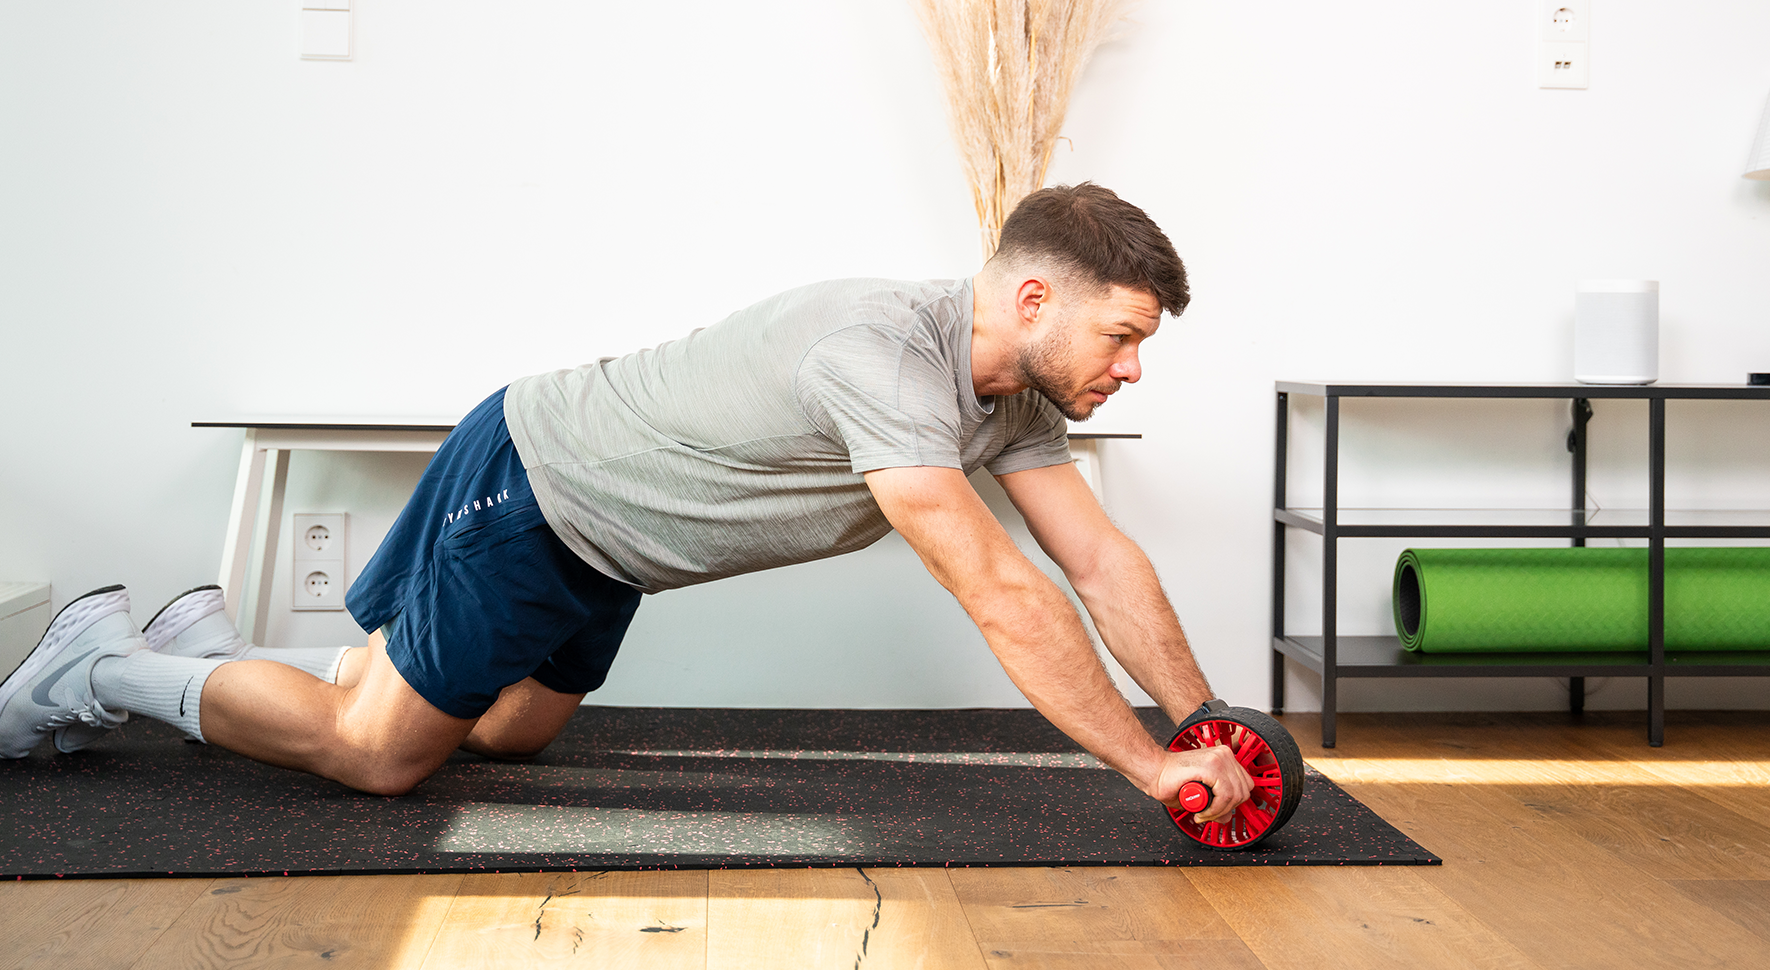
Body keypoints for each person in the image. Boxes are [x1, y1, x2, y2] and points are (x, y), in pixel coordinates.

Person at [0, 182, 1253, 824]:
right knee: (379, 758)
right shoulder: (880, 351)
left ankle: (212, 657)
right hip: (539, 486)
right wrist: (1150, 768)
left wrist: (1209, 721)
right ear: (1034, 301)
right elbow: (1000, 588)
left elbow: (1100, 562)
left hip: (611, 552)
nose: (1133, 368)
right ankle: (102, 664)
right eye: (1125, 335)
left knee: (507, 738)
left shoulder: (1018, 400)